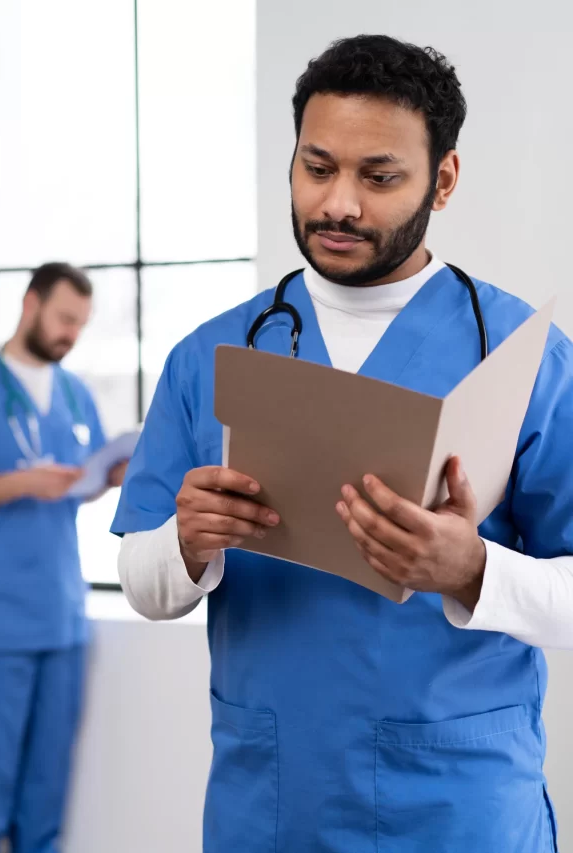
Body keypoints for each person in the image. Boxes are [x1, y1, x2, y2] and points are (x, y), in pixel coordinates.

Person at [112, 35, 570, 852]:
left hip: (458, 804)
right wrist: (186, 542)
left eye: (379, 176)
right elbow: (147, 587)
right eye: (316, 167)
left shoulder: (522, 357)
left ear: (444, 179)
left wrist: (471, 569)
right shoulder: (213, 355)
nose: (339, 205)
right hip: (276, 797)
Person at [0, 262, 127, 853]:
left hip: (61, 617)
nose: (71, 333)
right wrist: (21, 483)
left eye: (81, 324)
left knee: (44, 799)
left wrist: (111, 475)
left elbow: (79, 479)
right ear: (30, 304)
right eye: (65, 318)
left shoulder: (73, 392)